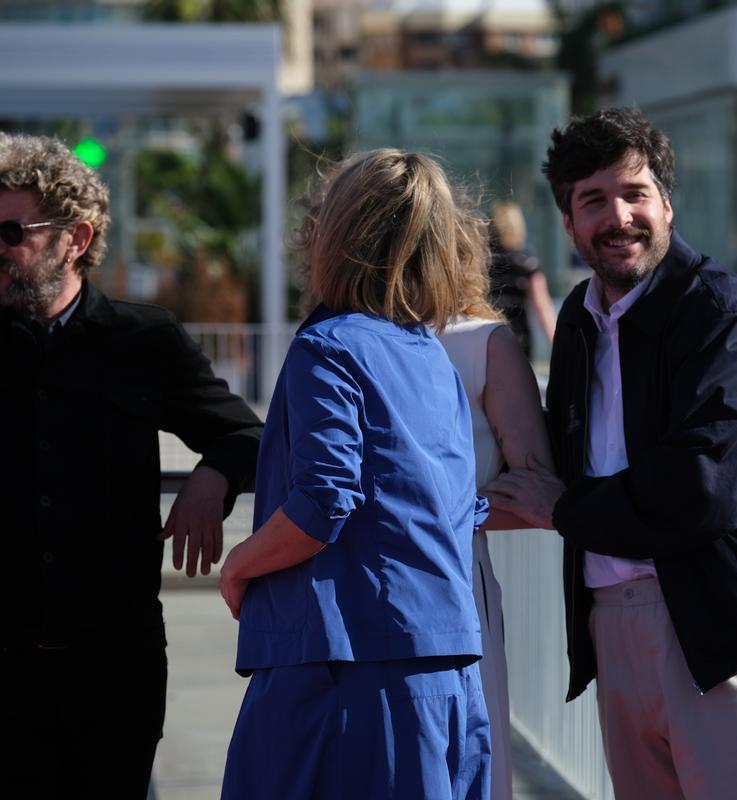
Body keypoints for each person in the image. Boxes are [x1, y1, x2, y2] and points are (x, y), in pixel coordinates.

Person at [486, 107, 737, 799]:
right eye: (594, 201)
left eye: (634, 193)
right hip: (613, 622)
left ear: (667, 205)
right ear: (569, 225)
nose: (618, 216)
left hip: (725, 629)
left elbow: (706, 489)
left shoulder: (725, 316)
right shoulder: (581, 325)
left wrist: (566, 510)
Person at [219, 149, 491, 799]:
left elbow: (323, 500)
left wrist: (240, 564)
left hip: (344, 671)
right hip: (444, 673)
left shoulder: (330, 347)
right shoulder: (431, 356)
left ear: (335, 234)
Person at [0, 132, 262, 797]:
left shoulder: (142, 340)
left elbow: (248, 438)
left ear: (76, 239)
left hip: (112, 668)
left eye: (11, 232)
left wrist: (214, 477)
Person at [438, 245, 555, 800]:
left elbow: (539, 495)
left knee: (467, 767)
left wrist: (444, 516)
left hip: (458, 587)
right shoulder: (340, 336)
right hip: (355, 600)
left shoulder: (481, 343)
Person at [487, 200, 556, 358]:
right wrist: (559, 345)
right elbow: (542, 307)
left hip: (484, 338)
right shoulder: (527, 264)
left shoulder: (480, 262)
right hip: (517, 340)